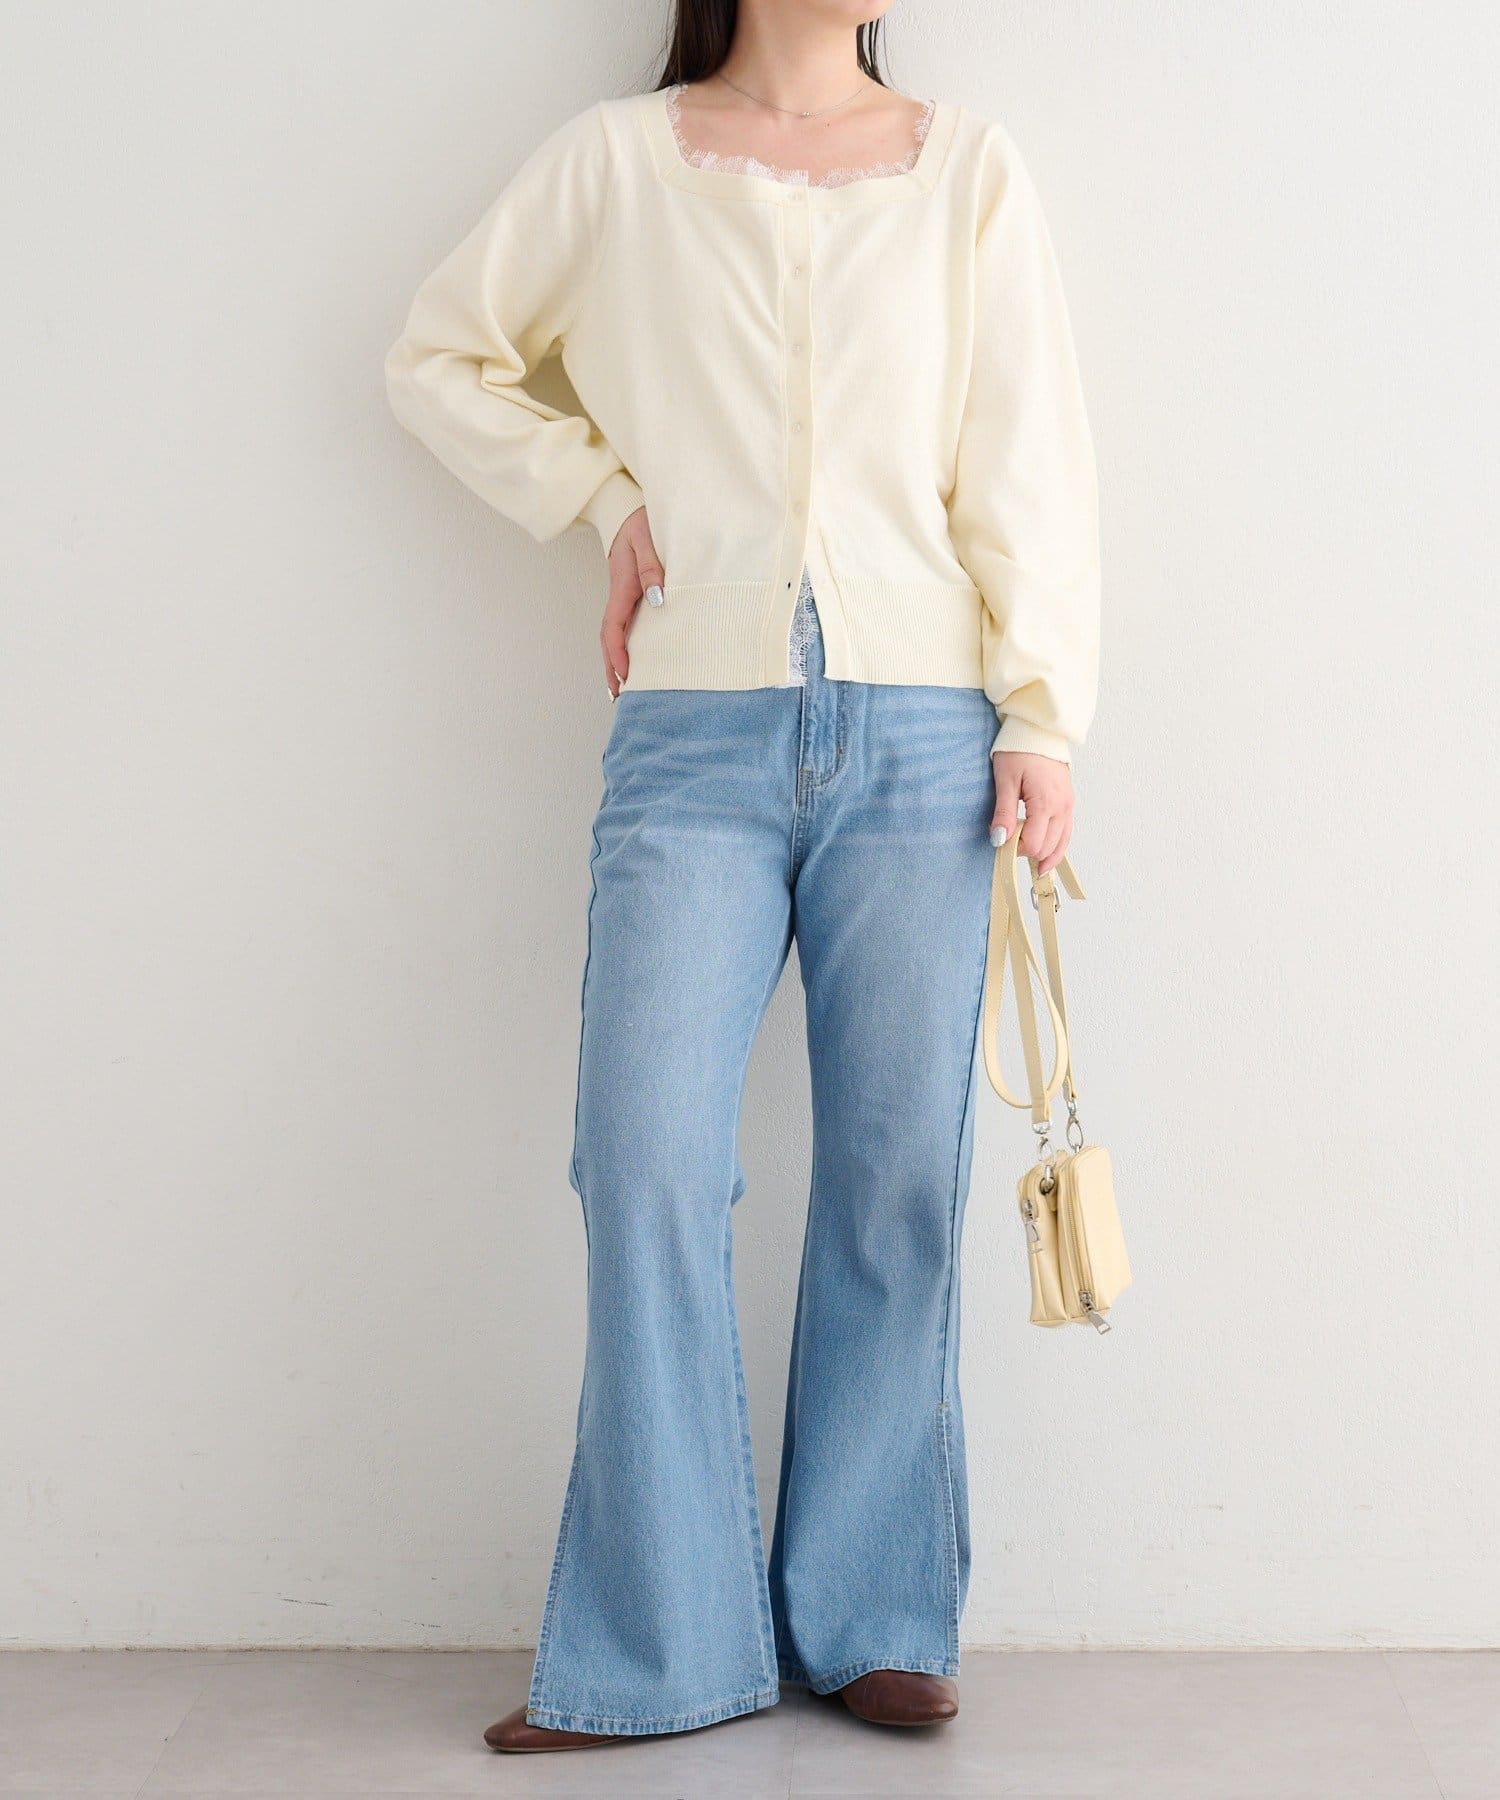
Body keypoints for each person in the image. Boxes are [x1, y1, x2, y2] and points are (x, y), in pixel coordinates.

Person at [384, 0, 1099, 1754]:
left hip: (926, 733)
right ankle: (661, 1646)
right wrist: (601, 496)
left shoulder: (968, 171)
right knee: (642, 1158)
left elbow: (1026, 454)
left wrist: (1042, 713)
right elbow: (438, 357)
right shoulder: (617, 164)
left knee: (893, 1177)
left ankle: (872, 1616)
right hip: (691, 731)